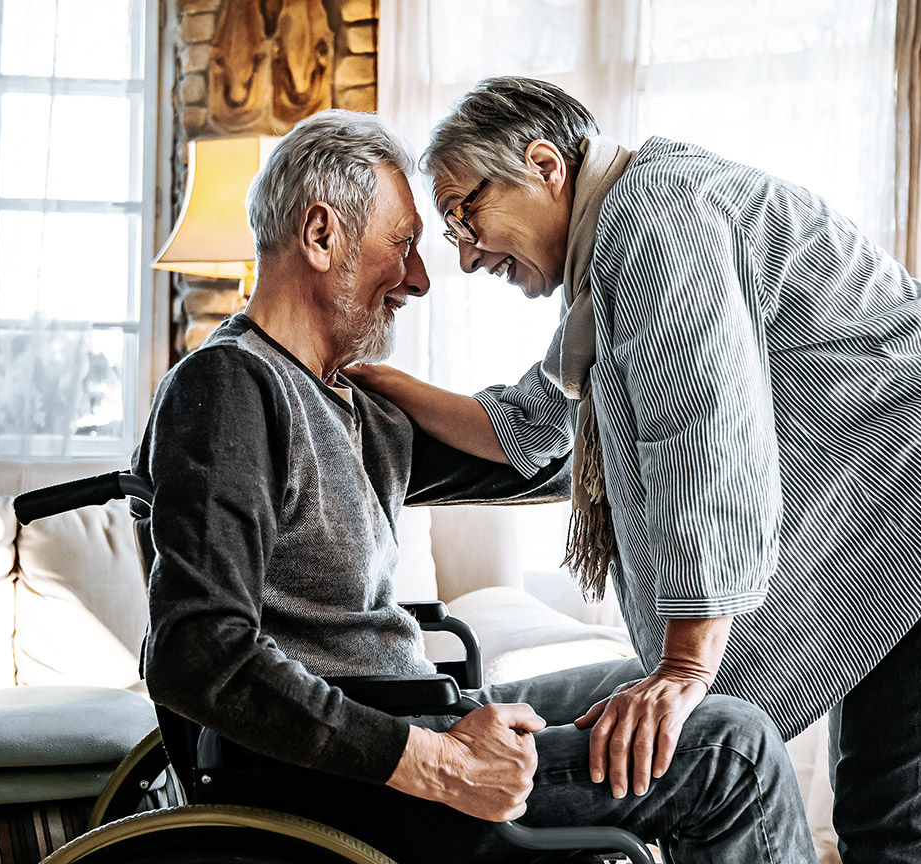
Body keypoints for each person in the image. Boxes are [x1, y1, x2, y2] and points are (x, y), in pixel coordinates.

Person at [345, 75, 921, 863]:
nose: (467, 257)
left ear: (544, 165)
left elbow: (703, 435)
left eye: (464, 216)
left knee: (909, 841)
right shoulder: (609, 258)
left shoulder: (654, 219)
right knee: (879, 822)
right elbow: (532, 426)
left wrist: (686, 664)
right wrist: (376, 382)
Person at [132, 109, 819, 863]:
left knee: (693, 688)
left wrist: (667, 349)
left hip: (418, 713)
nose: (422, 279)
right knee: (733, 752)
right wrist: (438, 763)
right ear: (322, 235)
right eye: (402, 244)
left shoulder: (351, 405)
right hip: (355, 770)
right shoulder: (231, 387)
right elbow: (197, 651)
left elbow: (547, 459)